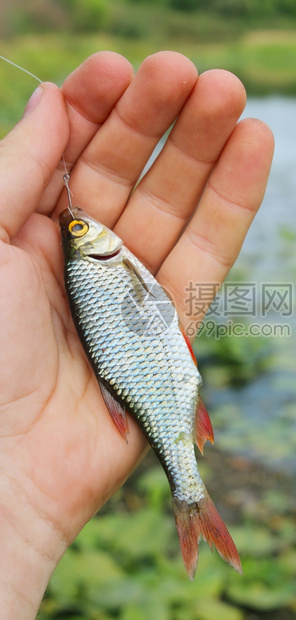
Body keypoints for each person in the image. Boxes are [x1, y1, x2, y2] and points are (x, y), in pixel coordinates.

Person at [0, 50, 274, 618]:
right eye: (81, 228)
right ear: (94, 245)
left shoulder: (97, 261)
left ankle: (189, 493)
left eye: (75, 226)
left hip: (145, 365)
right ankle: (189, 494)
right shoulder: (101, 259)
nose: (82, 225)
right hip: (149, 364)